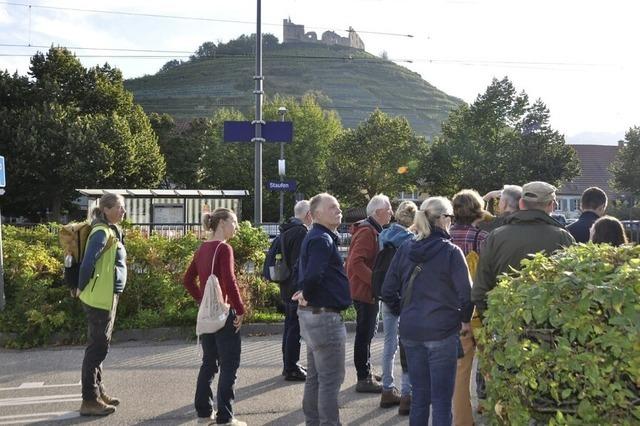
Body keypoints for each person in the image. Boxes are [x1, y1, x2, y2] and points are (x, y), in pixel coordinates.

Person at [382, 197, 473, 426]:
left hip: (412, 332)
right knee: (442, 401)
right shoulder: (451, 252)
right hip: (442, 332)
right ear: (442, 219)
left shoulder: (405, 248)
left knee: (420, 397)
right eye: (450, 217)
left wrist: (405, 311)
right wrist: (463, 320)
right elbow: (467, 294)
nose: (451, 221)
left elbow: (387, 290)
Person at [472, 181, 575, 315]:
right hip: (550, 324)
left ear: (521, 203)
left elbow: (480, 288)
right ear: (552, 206)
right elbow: (573, 285)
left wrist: (490, 319)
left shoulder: (495, 236)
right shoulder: (563, 237)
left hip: (503, 320)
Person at [183, 208, 246, 426]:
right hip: (224, 313)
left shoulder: (202, 248)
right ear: (221, 223)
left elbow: (187, 280)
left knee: (209, 363)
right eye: (234, 222)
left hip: (207, 315)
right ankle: (225, 418)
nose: (236, 226)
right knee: (229, 364)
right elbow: (229, 281)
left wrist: (203, 300)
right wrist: (239, 309)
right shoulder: (224, 248)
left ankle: (203, 414)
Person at [295, 193, 352, 426]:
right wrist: (306, 293)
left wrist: (304, 293)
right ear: (316, 214)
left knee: (316, 378)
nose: (338, 210)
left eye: (338, 206)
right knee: (330, 380)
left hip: (314, 316)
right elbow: (314, 273)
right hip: (325, 317)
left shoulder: (317, 236)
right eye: (332, 208)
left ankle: (313, 422)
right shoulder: (322, 239)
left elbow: (309, 272)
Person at [77, 193, 127, 416]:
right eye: (119, 207)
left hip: (106, 296)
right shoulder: (100, 232)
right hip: (99, 298)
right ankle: (89, 400)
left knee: (100, 346)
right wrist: (80, 287)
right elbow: (88, 262)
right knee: (97, 348)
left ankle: (98, 391)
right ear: (105, 209)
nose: (123, 211)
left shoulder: (109, 230)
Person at [449, 190, 489, 426]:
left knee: (460, 372)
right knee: (491, 367)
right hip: (481, 312)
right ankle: (491, 410)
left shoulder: (446, 235)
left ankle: (463, 421)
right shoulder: (482, 238)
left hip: (455, 310)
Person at [346, 194, 393, 393]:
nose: (391, 211)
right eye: (388, 208)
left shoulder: (371, 229)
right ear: (377, 212)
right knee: (364, 334)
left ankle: (366, 372)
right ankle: (363, 378)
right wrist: (376, 284)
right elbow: (356, 263)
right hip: (365, 291)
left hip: (366, 290)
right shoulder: (367, 231)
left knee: (367, 333)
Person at [378, 200, 417, 413]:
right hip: (405, 295)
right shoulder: (411, 241)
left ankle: (386, 388)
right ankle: (407, 394)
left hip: (386, 293)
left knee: (389, 344)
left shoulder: (383, 235)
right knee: (407, 346)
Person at [279, 200, 313, 381]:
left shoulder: (287, 230)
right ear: (309, 215)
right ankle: (291, 366)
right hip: (294, 286)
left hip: (285, 284)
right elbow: (300, 263)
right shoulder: (301, 232)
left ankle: (289, 364)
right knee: (294, 327)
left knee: (289, 326)